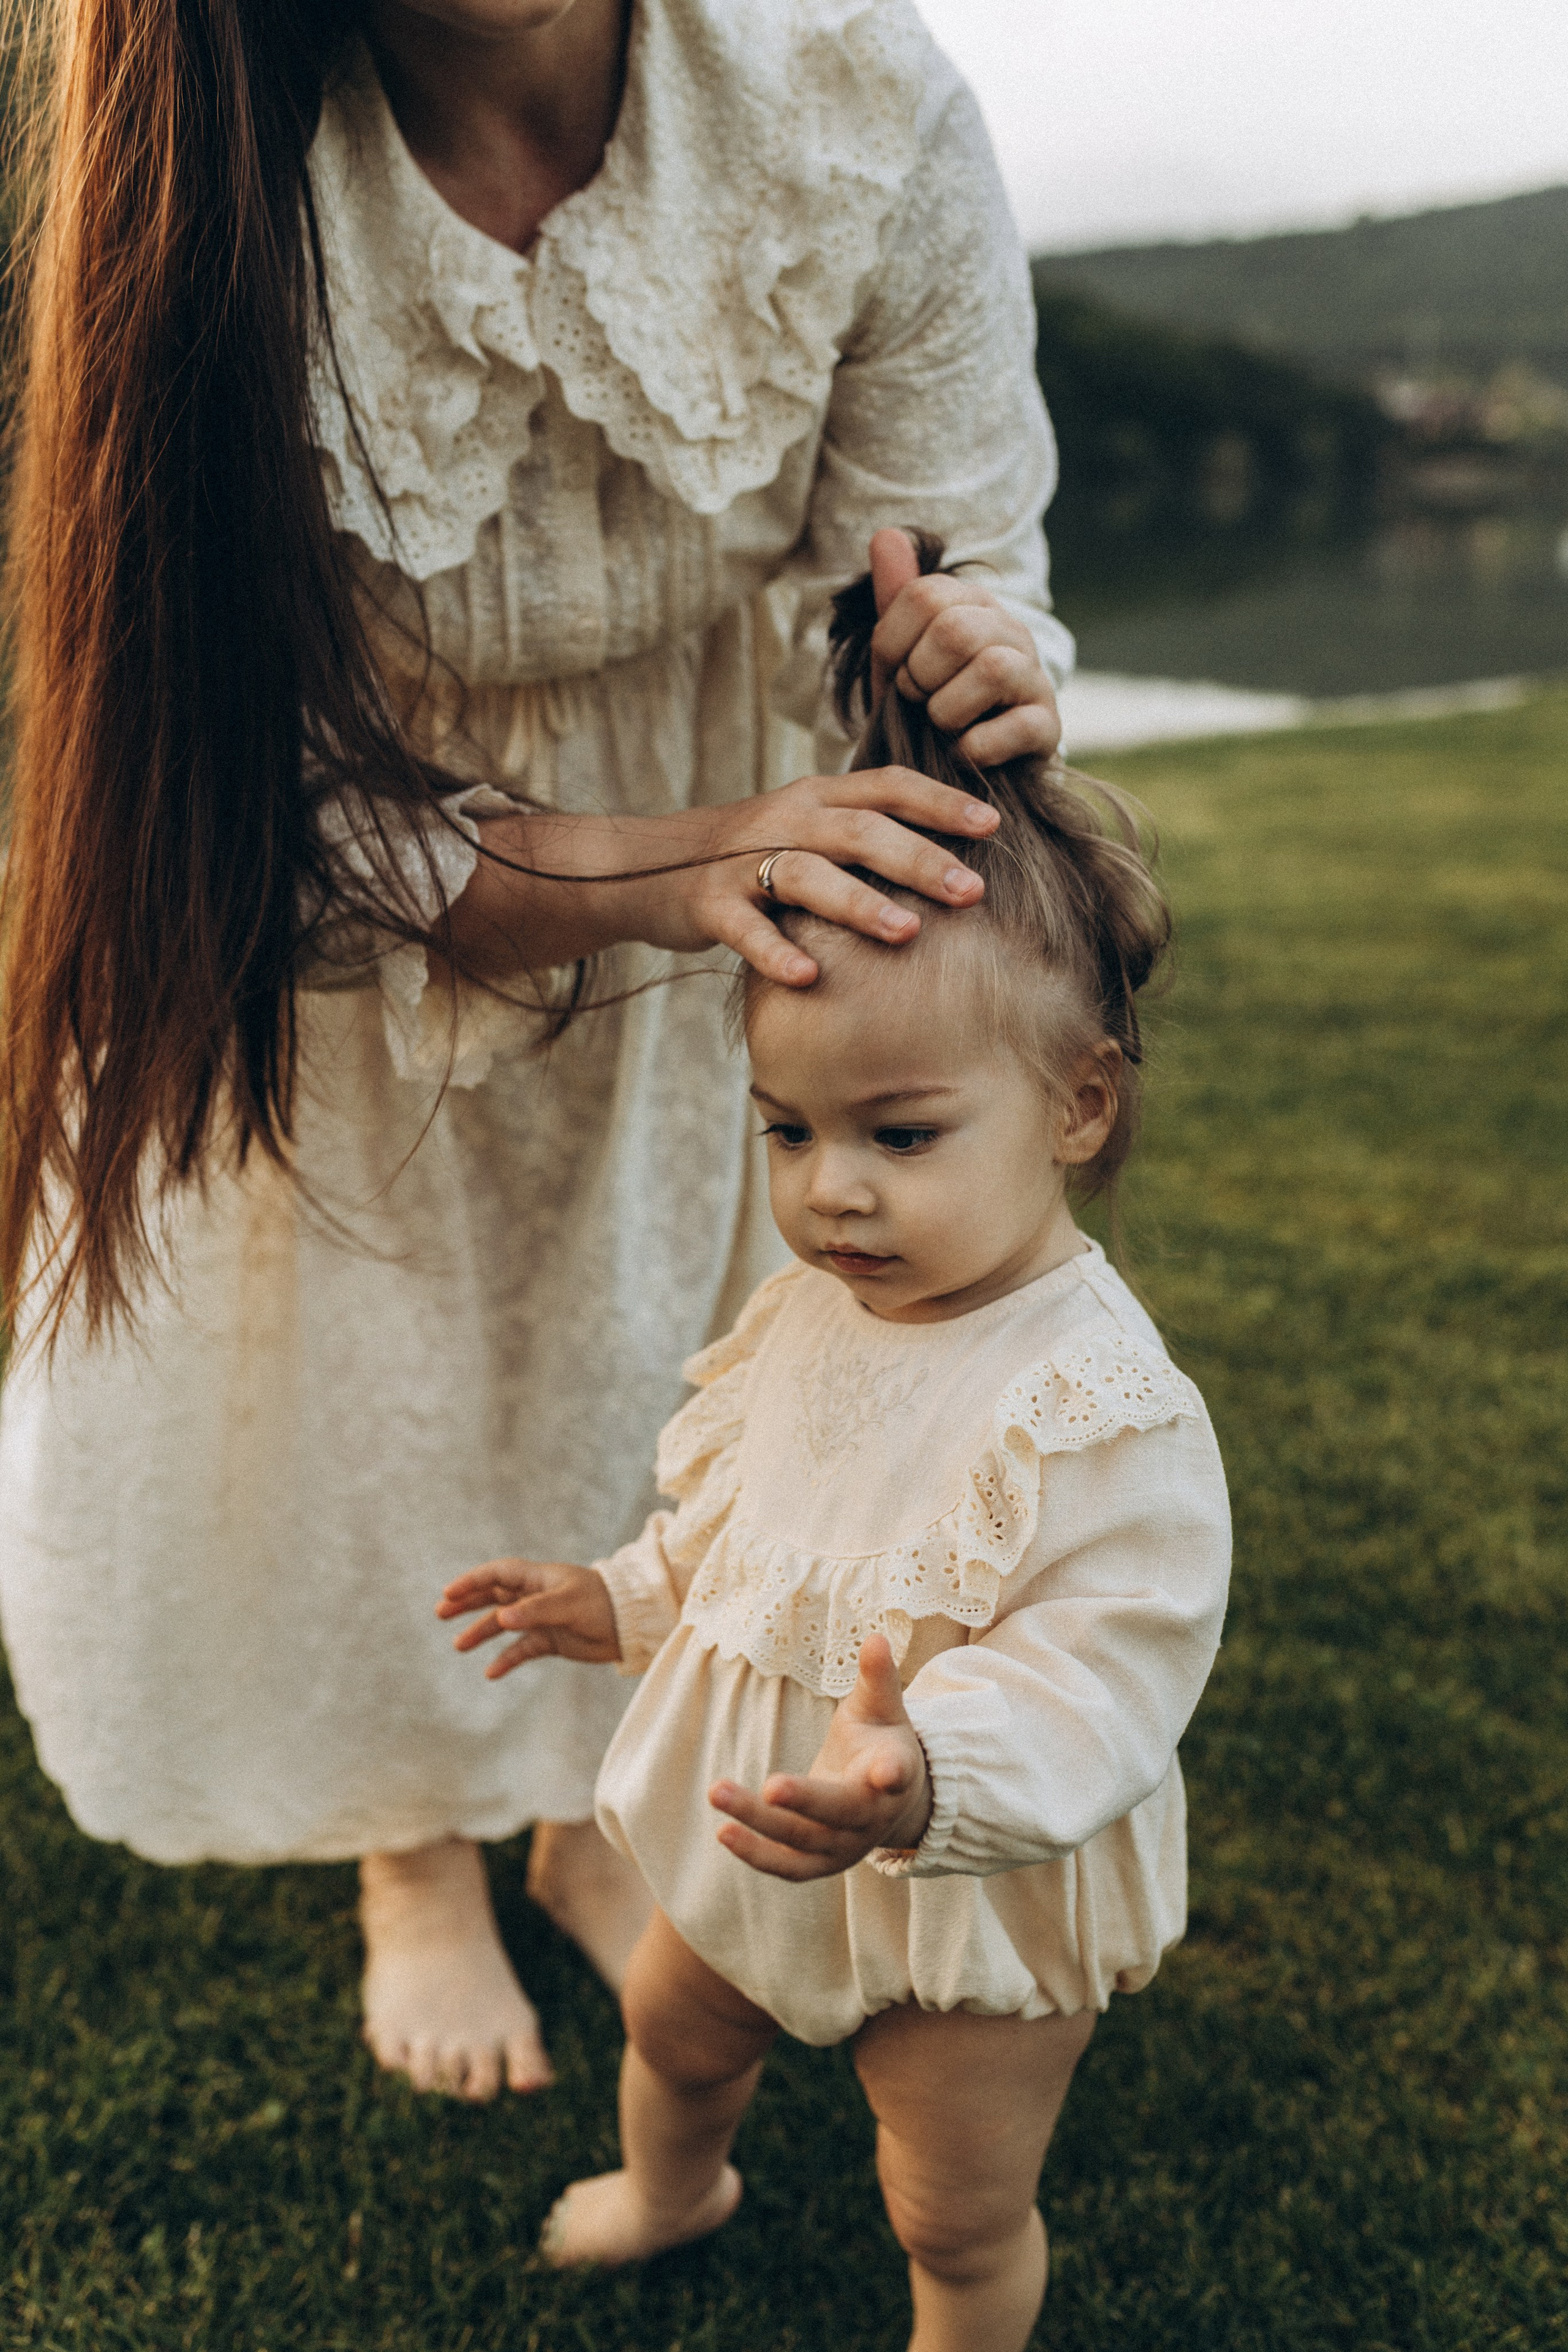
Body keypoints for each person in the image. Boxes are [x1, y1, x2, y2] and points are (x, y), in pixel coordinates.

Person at [0, 1, 1074, 2101]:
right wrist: (664, 864)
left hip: (731, 812)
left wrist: (963, 659)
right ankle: (412, 1850)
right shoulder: (190, 158)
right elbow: (224, 786)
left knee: (657, 1343)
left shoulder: (855, 98)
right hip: (349, 891)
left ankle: (589, 1811)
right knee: (371, 1370)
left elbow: (961, 544)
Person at [437, 550, 1233, 2351]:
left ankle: (960, 2316)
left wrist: (927, 1774)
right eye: (789, 1131)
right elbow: (756, 1529)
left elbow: (1117, 1660)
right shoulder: (816, 1309)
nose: (831, 1192)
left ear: (1078, 1104)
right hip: (754, 1821)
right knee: (673, 2031)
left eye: (900, 1134)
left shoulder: (1099, 1400)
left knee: (950, 2195)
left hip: (964, 1878)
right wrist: (620, 1597)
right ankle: (674, 2186)